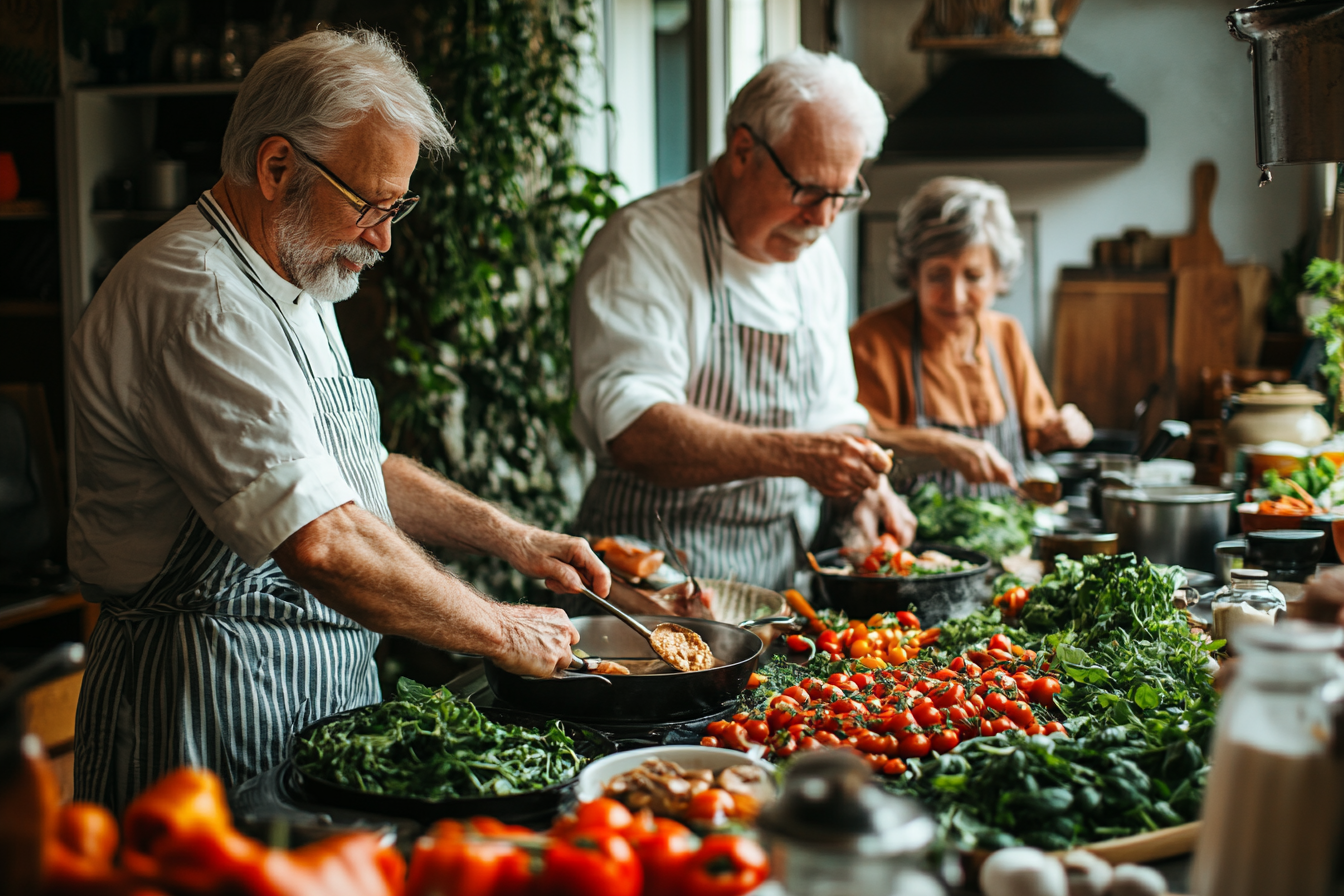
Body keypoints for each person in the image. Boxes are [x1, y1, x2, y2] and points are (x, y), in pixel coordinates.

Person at [68, 29, 609, 814]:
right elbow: (321, 539)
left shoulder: (293, 273)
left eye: (397, 206)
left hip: (316, 703)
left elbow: (355, 469)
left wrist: (511, 538)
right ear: (277, 165)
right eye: (369, 204)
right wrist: (499, 630)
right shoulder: (201, 300)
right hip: (209, 705)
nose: (384, 238)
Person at [570, 49, 916, 593]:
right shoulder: (645, 243)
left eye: (842, 195)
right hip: (651, 575)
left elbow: (832, 412)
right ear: (742, 150)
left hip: (779, 574)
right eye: (807, 190)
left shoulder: (816, 259)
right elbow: (635, 432)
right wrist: (797, 455)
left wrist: (863, 488)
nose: (823, 220)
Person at [849, 176, 1093, 497]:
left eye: (974, 276)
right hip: (908, 538)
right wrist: (944, 445)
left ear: (999, 277)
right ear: (912, 273)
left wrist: (1071, 428)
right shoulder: (872, 339)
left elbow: (1038, 439)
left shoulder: (1006, 334)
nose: (955, 296)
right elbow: (859, 439)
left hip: (1006, 532)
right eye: (938, 276)